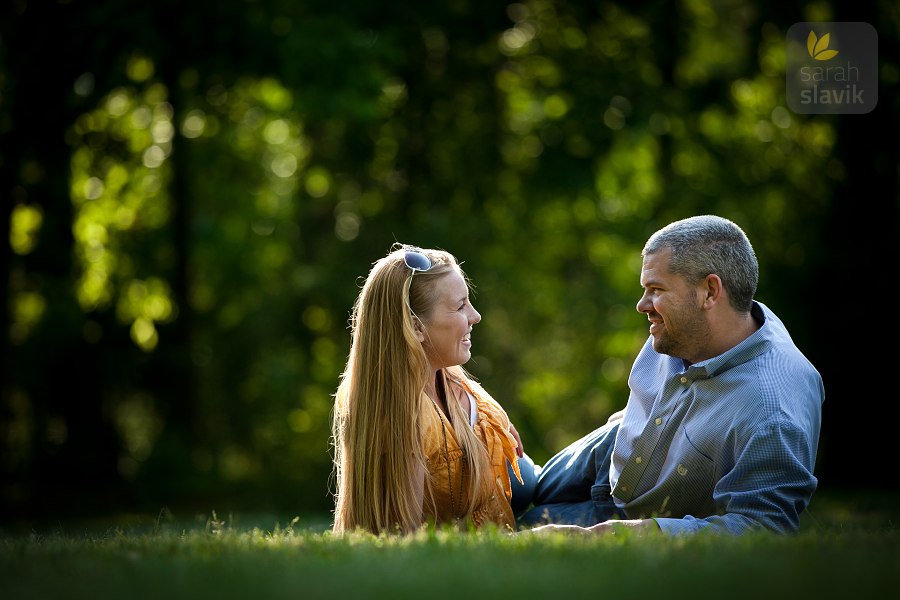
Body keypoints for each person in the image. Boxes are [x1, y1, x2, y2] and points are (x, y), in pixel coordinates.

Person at [518, 215, 825, 536]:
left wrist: (616, 535)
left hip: (630, 513)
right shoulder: (691, 327)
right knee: (510, 484)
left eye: (656, 289)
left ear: (710, 291)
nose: (641, 305)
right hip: (609, 448)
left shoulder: (771, 407)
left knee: (508, 529)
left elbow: (763, 526)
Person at [330, 244, 537, 535]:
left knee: (613, 438)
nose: (476, 316)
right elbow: (406, 539)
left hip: (528, 492)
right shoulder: (405, 414)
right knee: (607, 477)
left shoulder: (447, 378)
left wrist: (493, 425)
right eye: (460, 306)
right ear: (416, 328)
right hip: (518, 512)